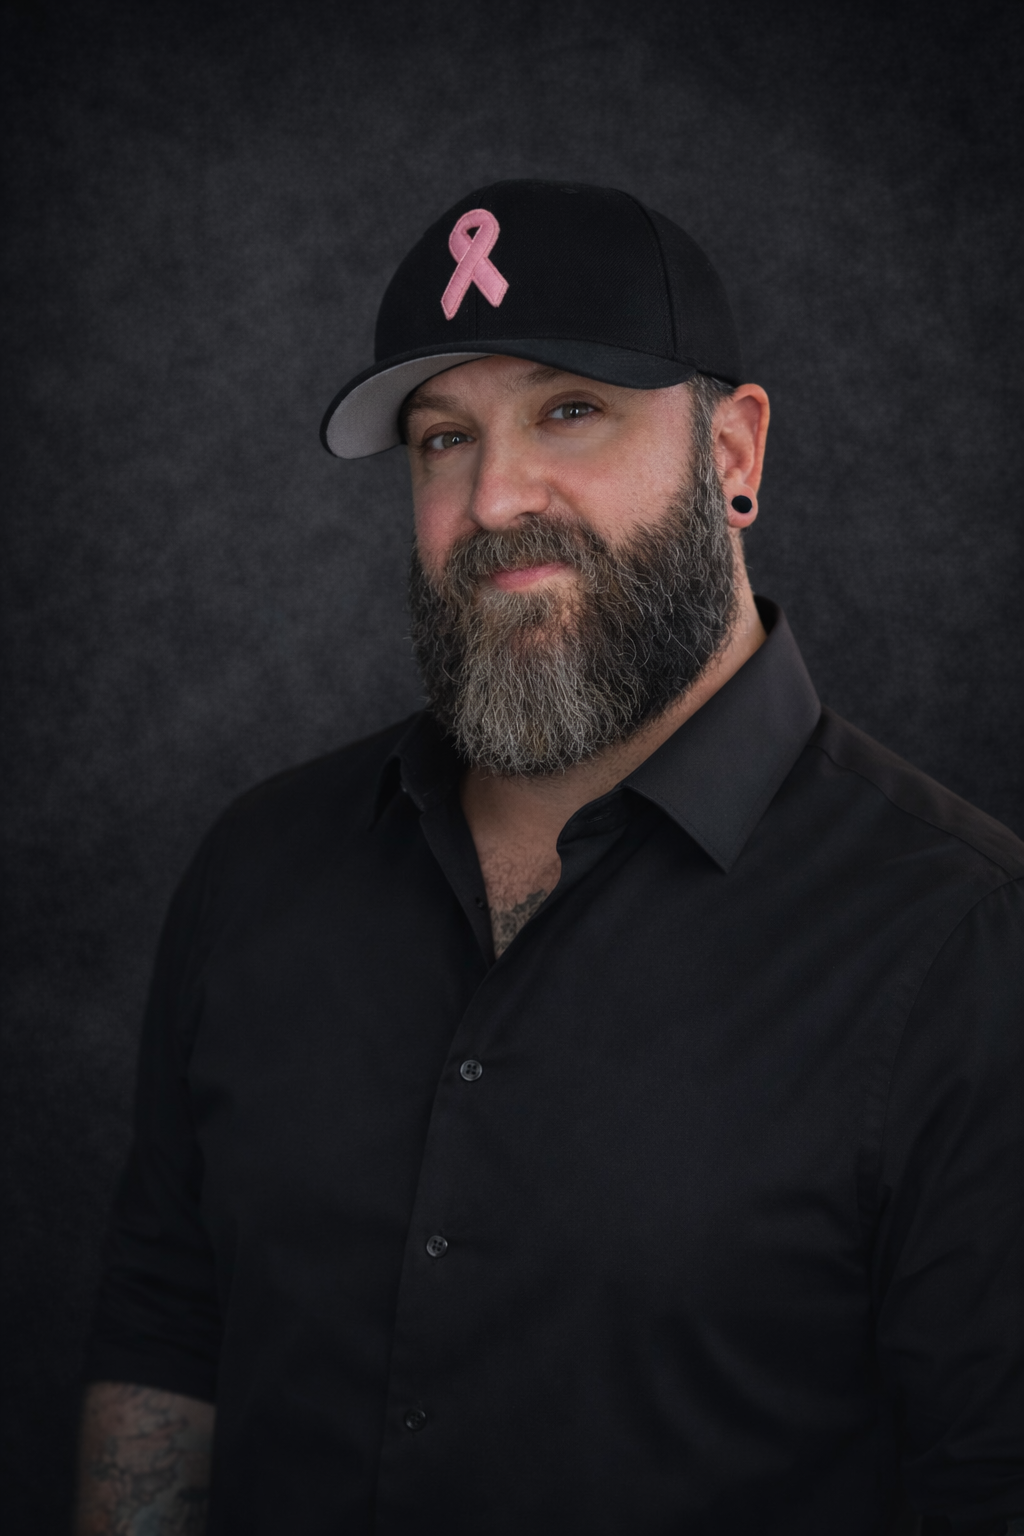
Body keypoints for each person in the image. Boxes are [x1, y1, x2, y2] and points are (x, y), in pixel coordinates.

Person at [76, 181, 1024, 1536]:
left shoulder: (967, 942)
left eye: (570, 408)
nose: (493, 496)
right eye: (440, 438)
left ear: (737, 451)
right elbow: (169, 1322)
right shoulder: (257, 870)